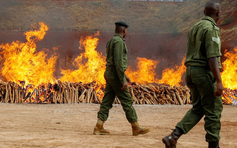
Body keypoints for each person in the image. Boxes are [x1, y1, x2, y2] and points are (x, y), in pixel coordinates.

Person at [162, 1, 223, 148]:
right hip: (204, 73)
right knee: (213, 111)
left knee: (198, 108)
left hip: (190, 72)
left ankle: (173, 136)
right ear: (218, 14)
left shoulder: (195, 27)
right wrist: (219, 81)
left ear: (204, 12)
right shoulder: (211, 28)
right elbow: (212, 57)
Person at [93, 21, 150, 136]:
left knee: (107, 100)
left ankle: (99, 126)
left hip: (110, 73)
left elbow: (113, 61)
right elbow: (118, 62)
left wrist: (125, 76)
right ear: (124, 30)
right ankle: (135, 127)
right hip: (115, 75)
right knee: (127, 100)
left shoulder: (110, 41)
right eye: (126, 30)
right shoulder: (119, 42)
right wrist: (122, 80)